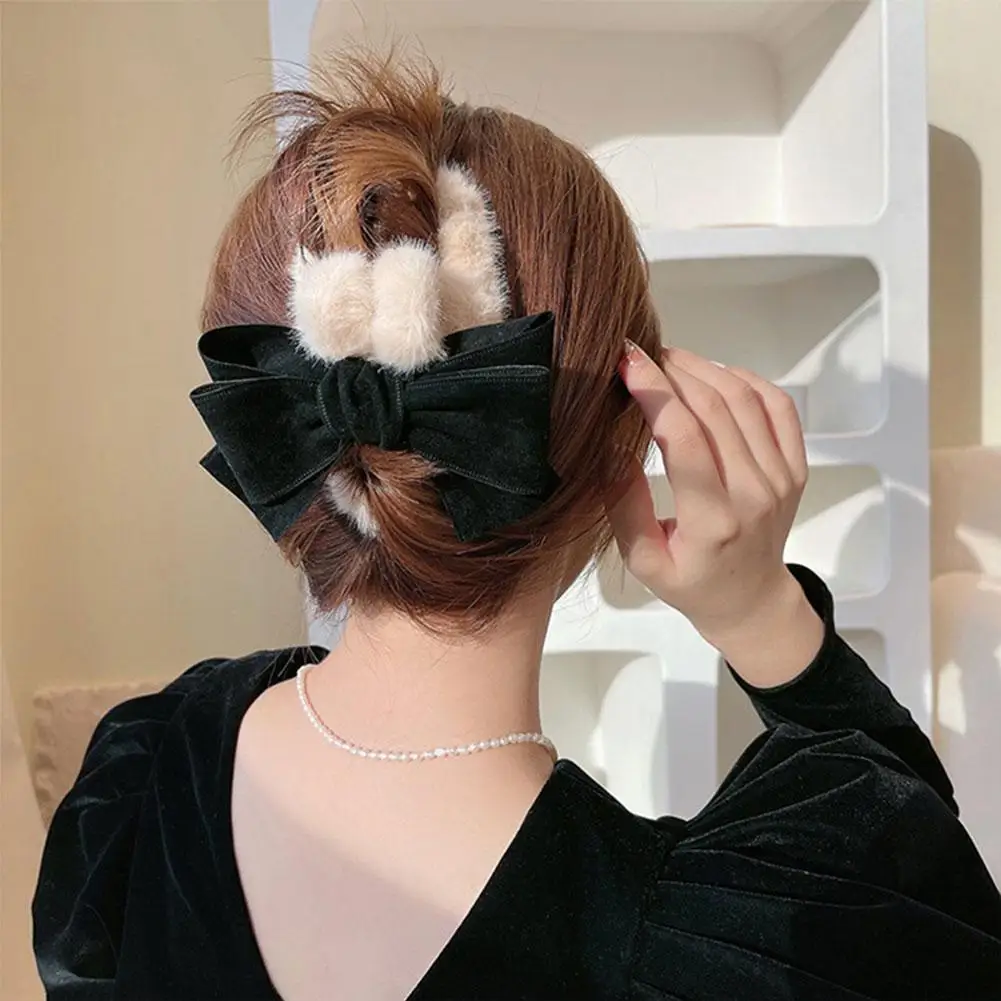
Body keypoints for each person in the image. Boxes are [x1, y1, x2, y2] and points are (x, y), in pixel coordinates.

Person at [32, 53, 1001, 1001]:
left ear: (265, 428)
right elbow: (918, 875)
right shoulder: (726, 948)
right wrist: (761, 613)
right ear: (625, 437)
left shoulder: (141, 776)